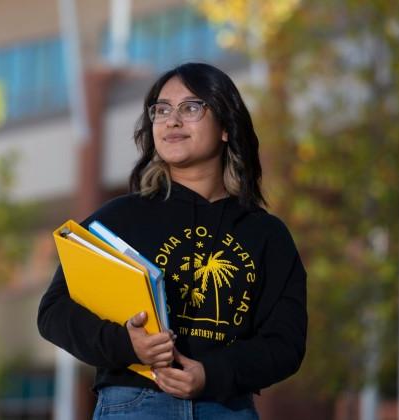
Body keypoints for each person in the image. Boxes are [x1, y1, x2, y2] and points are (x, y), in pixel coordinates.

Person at [37, 62, 307, 419]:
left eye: (191, 108)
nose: (172, 120)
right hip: (135, 404)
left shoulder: (267, 235)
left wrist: (213, 373)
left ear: (226, 126)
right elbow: (54, 311)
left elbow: (285, 344)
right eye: (161, 110)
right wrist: (126, 344)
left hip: (227, 408)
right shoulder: (120, 218)